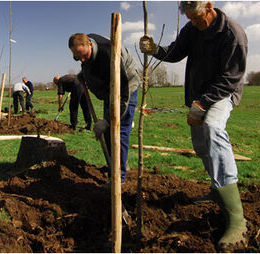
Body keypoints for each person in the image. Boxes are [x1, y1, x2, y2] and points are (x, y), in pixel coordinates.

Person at [139, 1, 248, 251]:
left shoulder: (232, 33)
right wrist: (155, 49)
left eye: (198, 18)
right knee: (201, 145)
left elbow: (231, 77)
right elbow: (176, 52)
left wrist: (203, 104)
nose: (195, 23)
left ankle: (237, 219)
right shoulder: (192, 28)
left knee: (212, 128)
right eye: (190, 19)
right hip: (198, 95)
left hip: (223, 94)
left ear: (209, 6)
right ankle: (217, 190)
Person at [68, 33, 140, 185]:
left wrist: (108, 120)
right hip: (109, 90)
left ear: (90, 45)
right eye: (77, 57)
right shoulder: (85, 47)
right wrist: (84, 75)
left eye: (83, 55)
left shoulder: (110, 54)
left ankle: (118, 179)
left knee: (119, 132)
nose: (81, 60)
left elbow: (123, 93)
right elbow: (88, 63)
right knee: (108, 134)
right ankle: (117, 164)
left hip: (126, 86)